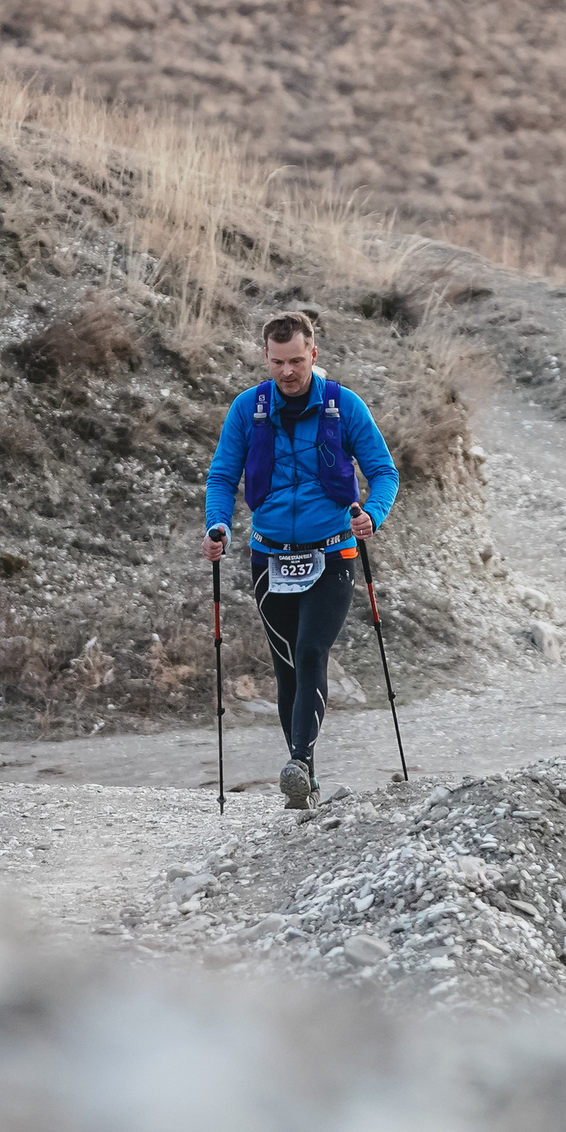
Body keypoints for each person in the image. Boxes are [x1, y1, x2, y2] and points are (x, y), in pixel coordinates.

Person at [202, 310, 400, 807]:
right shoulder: (248, 409)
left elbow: (384, 471)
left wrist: (371, 515)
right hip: (269, 557)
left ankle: (300, 764)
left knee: (312, 651)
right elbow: (222, 477)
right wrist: (217, 525)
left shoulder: (344, 407)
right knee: (286, 665)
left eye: (296, 360)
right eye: (277, 362)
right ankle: (304, 781)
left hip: (332, 553)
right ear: (265, 358)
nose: (287, 371)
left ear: (313, 354)